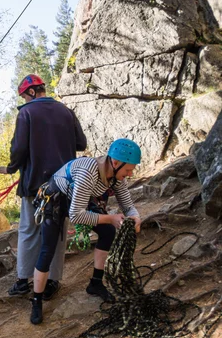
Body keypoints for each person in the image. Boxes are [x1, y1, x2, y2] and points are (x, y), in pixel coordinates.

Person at [29, 138, 143, 325]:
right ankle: (36, 300)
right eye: (128, 170)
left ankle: (95, 283)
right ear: (115, 163)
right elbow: (76, 215)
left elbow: (128, 206)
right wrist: (111, 218)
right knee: (47, 249)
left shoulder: (117, 177)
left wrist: (135, 217)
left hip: (81, 198)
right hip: (56, 197)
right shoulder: (88, 172)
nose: (130, 174)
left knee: (107, 232)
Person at [0, 74, 86, 300]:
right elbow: (81, 144)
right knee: (58, 232)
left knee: (28, 230)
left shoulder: (26, 113)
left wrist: (12, 167)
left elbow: (19, 148)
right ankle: (52, 281)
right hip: (63, 183)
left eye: (24, 96)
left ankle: (23, 280)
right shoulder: (67, 111)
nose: (25, 100)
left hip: (34, 182)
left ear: (32, 92)